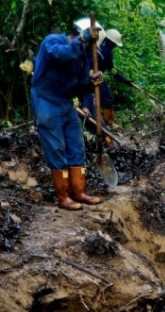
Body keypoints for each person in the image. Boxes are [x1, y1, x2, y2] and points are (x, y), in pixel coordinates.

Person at [31, 18, 105, 210]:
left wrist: (92, 82)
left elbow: (80, 86)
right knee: (56, 148)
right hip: (46, 101)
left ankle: (79, 192)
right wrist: (83, 39)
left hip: (65, 103)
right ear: (81, 36)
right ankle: (63, 197)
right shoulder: (53, 42)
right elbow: (62, 55)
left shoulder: (81, 56)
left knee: (76, 146)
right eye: (89, 45)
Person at [81, 28, 132, 131]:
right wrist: (123, 80)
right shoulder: (100, 50)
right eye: (114, 44)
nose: (114, 47)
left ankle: (105, 121)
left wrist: (124, 80)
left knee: (101, 98)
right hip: (90, 77)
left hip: (93, 76)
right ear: (110, 42)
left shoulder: (101, 49)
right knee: (106, 99)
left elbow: (112, 70)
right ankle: (107, 122)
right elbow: (111, 70)